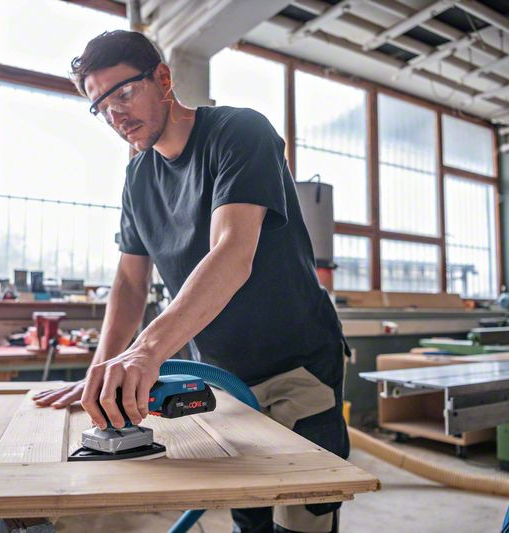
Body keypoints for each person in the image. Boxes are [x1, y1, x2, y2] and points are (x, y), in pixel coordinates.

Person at [33, 30, 349, 533]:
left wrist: (145, 351)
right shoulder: (138, 177)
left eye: (123, 93)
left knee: (302, 515)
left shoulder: (239, 132)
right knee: (247, 510)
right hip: (223, 377)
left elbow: (232, 253)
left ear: (163, 79)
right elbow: (130, 283)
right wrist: (101, 374)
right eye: (101, 107)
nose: (116, 115)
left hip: (297, 366)